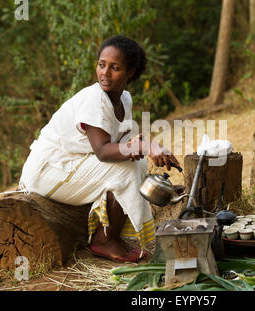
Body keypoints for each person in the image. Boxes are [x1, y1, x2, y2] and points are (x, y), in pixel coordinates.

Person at [19, 35, 180, 263]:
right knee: (126, 170)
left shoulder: (124, 99)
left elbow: (121, 143)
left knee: (138, 162)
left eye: (114, 68)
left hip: (73, 164)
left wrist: (142, 145)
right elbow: (104, 151)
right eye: (101, 65)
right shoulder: (95, 99)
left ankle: (110, 233)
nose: (105, 72)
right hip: (48, 171)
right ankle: (104, 240)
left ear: (130, 72)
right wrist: (144, 145)